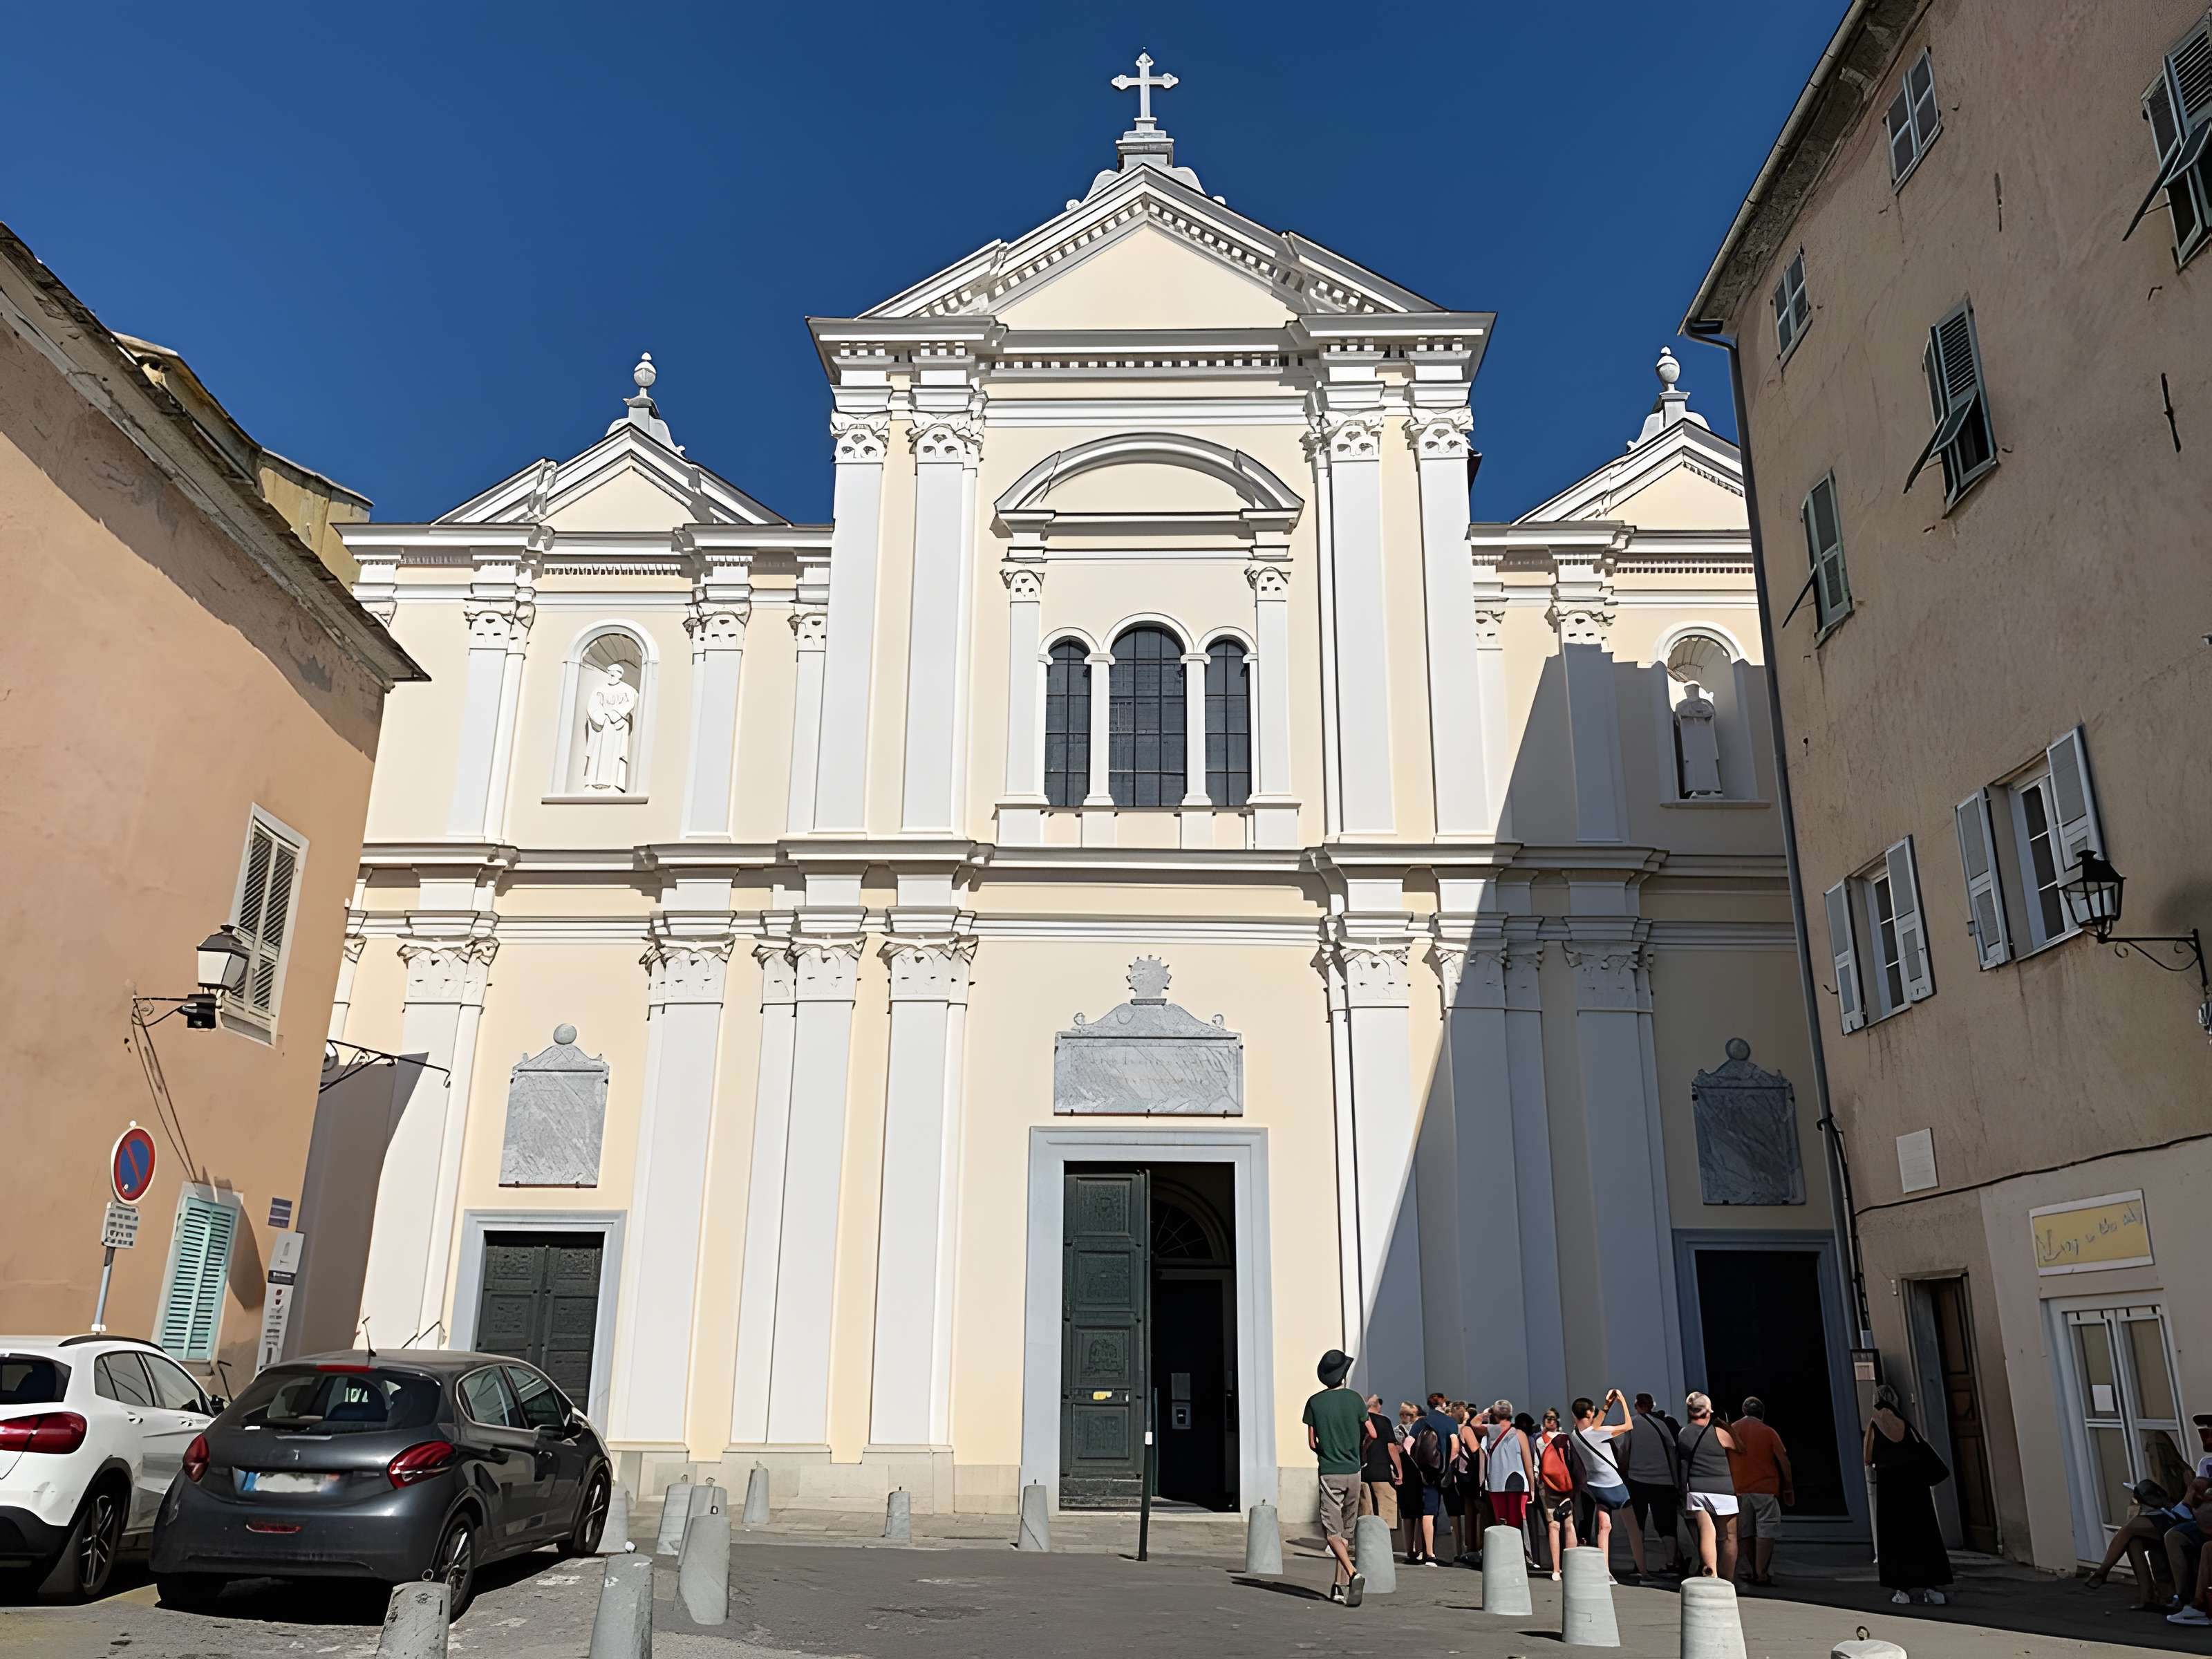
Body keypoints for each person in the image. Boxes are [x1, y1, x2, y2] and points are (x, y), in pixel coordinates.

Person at [1864, 1383, 1951, 1606]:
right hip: (1915, 1486)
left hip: (1890, 1488)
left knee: (1894, 1538)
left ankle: (1901, 1590)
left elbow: (1867, 1457)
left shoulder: (1875, 1424)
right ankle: (1932, 1589)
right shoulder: (1905, 1424)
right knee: (1924, 1534)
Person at [1302, 1349, 1369, 1606]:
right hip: (1354, 1470)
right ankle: (1339, 1587)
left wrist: (1326, 1451)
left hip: (1330, 1471)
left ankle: (1352, 1575)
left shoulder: (1315, 1402)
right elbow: (1371, 1432)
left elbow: (1311, 1442)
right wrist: (1359, 1452)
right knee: (1346, 1534)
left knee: (1332, 1533)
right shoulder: (1355, 1399)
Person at [1726, 1397, 1794, 1586]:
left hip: (1739, 1487)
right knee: (1766, 1528)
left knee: (1745, 1530)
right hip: (1765, 1488)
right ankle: (1761, 1572)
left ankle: (1751, 1569)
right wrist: (1788, 1487)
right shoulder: (1768, 1432)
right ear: (1762, 1413)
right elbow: (1783, 1461)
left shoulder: (1732, 1430)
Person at [1571, 1390, 1637, 1573]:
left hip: (1595, 1485)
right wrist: (1622, 1401)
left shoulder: (1575, 1435)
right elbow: (1628, 1425)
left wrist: (1607, 1405)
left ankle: (1604, 1569)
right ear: (1590, 1414)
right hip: (1614, 1484)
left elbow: (1594, 1425)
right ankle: (1643, 1569)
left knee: (1604, 1526)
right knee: (1632, 1528)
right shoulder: (1598, 1434)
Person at [1678, 1392, 1741, 1580]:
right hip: (1724, 1489)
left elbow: (1682, 1464)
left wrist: (1683, 1491)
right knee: (1728, 1536)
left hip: (1697, 1489)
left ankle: (1710, 1572)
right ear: (1709, 1411)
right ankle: (1728, 1580)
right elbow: (1740, 1450)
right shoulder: (1721, 1432)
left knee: (1706, 1530)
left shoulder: (1684, 1434)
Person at [1622, 1390, 1683, 1579]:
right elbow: (1672, 1452)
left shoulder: (1631, 1424)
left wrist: (1624, 1474)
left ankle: (1639, 1563)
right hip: (1663, 1481)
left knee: (1637, 1524)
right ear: (1651, 1406)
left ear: (1637, 1406)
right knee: (1666, 1524)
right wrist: (1676, 1481)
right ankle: (1671, 1562)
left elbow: (1625, 1451)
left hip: (1637, 1480)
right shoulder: (1662, 1426)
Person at [1483, 1400, 1538, 1565]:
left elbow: (1473, 1424)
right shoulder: (1519, 1434)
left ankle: (1505, 1555)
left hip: (1496, 1482)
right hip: (1518, 1482)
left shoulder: (1490, 1431)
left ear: (1495, 1413)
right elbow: (1528, 1462)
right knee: (1519, 1519)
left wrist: (1486, 1413)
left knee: (1501, 1520)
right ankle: (1524, 1556)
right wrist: (1532, 1487)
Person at [1410, 1391, 1459, 1567]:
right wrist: (1448, 1465)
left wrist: (1418, 1464)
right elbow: (1455, 1447)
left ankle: (1427, 1552)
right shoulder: (1450, 1422)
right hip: (1443, 1472)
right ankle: (1445, 1553)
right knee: (1446, 1510)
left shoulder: (1421, 1422)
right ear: (1443, 1405)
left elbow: (1408, 1445)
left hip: (1426, 1473)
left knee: (1427, 1512)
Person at [1536, 1407, 1579, 1578]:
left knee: (1556, 1525)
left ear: (1557, 1420)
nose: (1550, 1420)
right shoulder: (1567, 1439)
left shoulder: (1540, 1441)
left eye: (1552, 1418)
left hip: (1548, 1486)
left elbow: (1535, 1464)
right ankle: (1569, 1568)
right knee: (1567, 1525)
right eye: (1547, 1418)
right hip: (1566, 1485)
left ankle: (1557, 1569)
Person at [1358, 1392, 1402, 1534]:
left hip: (1361, 1469)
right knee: (1388, 1503)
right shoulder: (1384, 1421)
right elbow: (1391, 1448)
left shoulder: (1358, 1421)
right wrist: (1399, 1471)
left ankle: (1366, 1537)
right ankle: (1384, 1538)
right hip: (1381, 1469)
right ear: (1378, 1406)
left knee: (1365, 1508)